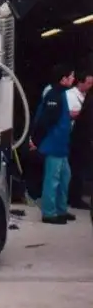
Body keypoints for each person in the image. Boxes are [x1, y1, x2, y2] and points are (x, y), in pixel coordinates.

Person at [30, 65, 77, 224]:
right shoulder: (54, 95)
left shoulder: (62, 94)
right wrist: (37, 141)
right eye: (71, 76)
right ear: (63, 79)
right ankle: (49, 213)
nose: (73, 79)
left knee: (65, 177)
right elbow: (45, 121)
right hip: (54, 144)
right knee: (53, 178)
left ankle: (60, 209)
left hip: (62, 145)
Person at [66, 71, 93, 209]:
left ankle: (75, 196)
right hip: (73, 136)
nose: (90, 86)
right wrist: (81, 114)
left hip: (83, 137)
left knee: (79, 169)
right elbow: (67, 113)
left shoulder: (86, 96)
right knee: (75, 169)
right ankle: (73, 198)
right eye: (88, 83)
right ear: (80, 82)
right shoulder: (70, 95)